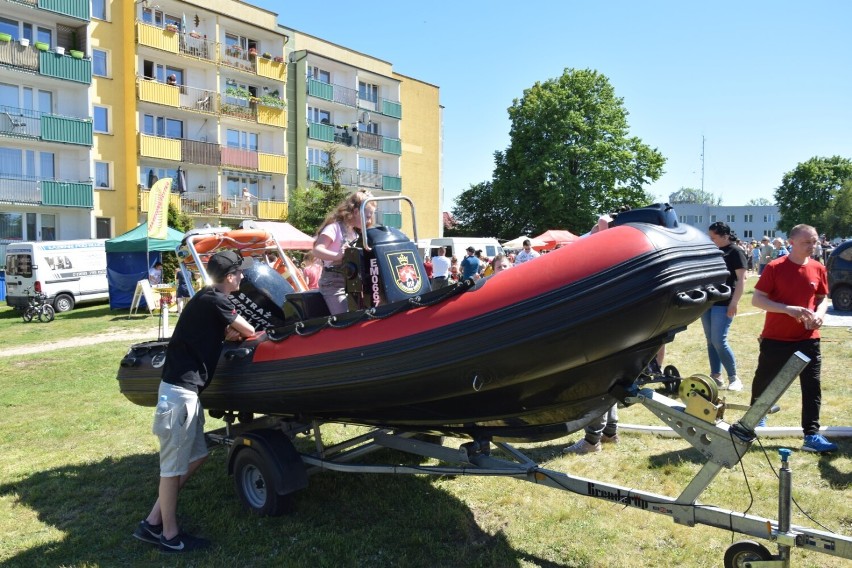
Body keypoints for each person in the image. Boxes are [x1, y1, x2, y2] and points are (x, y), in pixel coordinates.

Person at [133, 250, 256, 552]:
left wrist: (231, 334)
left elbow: (223, 333)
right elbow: (250, 330)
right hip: (179, 396)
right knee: (171, 469)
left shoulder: (207, 299)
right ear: (229, 277)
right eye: (239, 272)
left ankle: (152, 522)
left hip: (187, 394)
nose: (243, 276)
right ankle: (170, 536)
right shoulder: (216, 299)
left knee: (197, 455)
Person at [749, 224, 837, 453]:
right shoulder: (775, 267)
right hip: (776, 338)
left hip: (808, 338)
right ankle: (754, 421)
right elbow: (757, 300)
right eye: (806, 242)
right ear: (791, 242)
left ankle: (811, 435)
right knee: (764, 381)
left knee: (812, 386)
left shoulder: (818, 267)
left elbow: (822, 298)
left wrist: (819, 315)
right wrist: (788, 309)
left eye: (814, 241)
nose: (812, 246)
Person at [312, 189, 376, 314]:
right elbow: (317, 250)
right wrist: (338, 255)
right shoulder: (334, 228)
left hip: (354, 282)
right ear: (356, 212)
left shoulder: (356, 233)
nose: (369, 221)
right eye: (368, 216)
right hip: (333, 283)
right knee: (345, 316)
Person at [702, 222, 747, 391]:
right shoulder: (713, 250)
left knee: (718, 340)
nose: (710, 240)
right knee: (710, 341)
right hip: (708, 301)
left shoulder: (736, 251)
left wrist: (734, 303)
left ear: (725, 236)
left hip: (725, 302)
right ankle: (716, 376)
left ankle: (734, 378)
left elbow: (742, 279)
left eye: (713, 237)